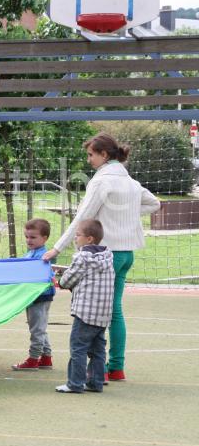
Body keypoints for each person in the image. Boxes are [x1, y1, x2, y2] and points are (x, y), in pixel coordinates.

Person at [42, 132, 159, 382]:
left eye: (90, 155)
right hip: (126, 254)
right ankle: (115, 366)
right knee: (113, 310)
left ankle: (106, 367)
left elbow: (82, 218)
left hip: (106, 257)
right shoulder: (130, 182)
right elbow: (155, 204)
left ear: (104, 155)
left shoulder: (102, 181)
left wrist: (56, 249)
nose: (88, 160)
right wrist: (125, 211)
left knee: (100, 313)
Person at [55, 219, 115, 394]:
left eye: (78, 235)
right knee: (97, 349)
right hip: (104, 313)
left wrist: (60, 280)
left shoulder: (82, 257)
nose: (75, 238)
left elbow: (68, 280)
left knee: (78, 347)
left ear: (89, 239)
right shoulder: (108, 257)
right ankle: (96, 382)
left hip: (85, 312)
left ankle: (75, 383)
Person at [12, 219, 56, 371]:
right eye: (26, 237)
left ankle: (33, 358)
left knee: (37, 328)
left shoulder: (44, 255)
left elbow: (36, 273)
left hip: (40, 296)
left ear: (44, 238)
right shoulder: (31, 253)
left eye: (33, 237)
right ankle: (46, 357)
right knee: (39, 327)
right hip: (32, 296)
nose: (28, 240)